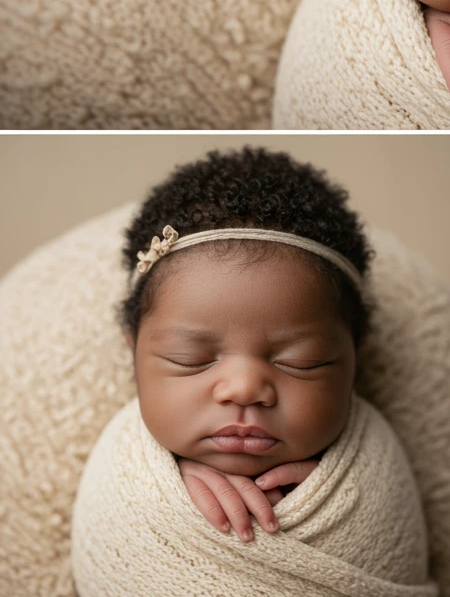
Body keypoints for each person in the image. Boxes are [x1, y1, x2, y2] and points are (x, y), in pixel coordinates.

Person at [113, 146, 429, 572]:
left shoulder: (375, 472)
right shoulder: (123, 468)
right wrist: (166, 486)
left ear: (355, 357)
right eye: (190, 358)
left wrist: (336, 498)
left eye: (302, 362)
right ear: (133, 351)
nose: (245, 388)